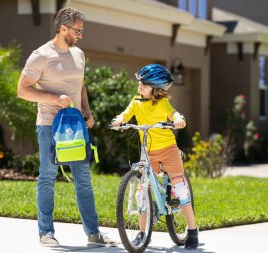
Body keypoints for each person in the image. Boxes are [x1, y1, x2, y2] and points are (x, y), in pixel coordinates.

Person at [17, 7, 116, 247]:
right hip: (50, 126)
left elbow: (80, 86)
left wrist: (87, 111)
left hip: (76, 126)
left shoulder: (78, 54)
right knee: (48, 177)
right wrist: (53, 98)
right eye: (78, 31)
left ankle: (93, 233)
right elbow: (23, 90)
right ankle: (46, 232)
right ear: (63, 28)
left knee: (83, 178)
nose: (81, 35)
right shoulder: (40, 55)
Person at [111, 64, 199, 250]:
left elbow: (174, 113)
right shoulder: (136, 102)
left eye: (145, 83)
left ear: (157, 89)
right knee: (141, 190)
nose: (140, 85)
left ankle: (192, 230)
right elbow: (125, 114)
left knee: (180, 189)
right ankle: (143, 233)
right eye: (140, 82)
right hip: (148, 151)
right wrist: (119, 121)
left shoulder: (162, 103)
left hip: (168, 150)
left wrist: (178, 120)